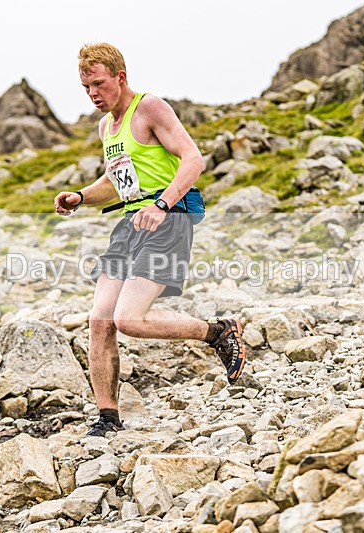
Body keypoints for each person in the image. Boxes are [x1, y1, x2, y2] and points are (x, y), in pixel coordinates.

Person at [54, 43, 246, 437]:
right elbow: (115, 182)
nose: (92, 93)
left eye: (99, 84)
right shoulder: (106, 126)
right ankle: (107, 419)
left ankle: (217, 332)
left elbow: (193, 159)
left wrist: (161, 204)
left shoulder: (150, 108)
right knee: (100, 321)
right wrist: (82, 196)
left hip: (168, 219)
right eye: (85, 86)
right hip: (129, 225)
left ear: (120, 78)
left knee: (129, 319)